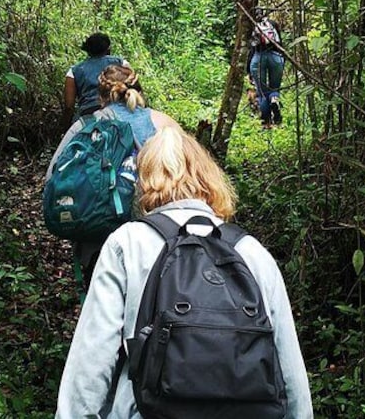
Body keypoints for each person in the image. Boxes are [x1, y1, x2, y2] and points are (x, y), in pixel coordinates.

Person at [56, 127, 313, 418]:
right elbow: (289, 369)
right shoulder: (251, 251)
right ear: (208, 177)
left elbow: (92, 358)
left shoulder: (127, 244)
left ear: (143, 183)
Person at [47, 64, 180, 294]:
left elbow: (52, 178)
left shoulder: (84, 126)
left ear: (101, 97)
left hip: (98, 242)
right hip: (157, 238)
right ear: (140, 91)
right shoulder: (164, 124)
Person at [61, 32, 129, 130]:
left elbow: (69, 106)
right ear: (108, 49)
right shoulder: (121, 63)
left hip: (87, 115)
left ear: (88, 51)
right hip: (118, 110)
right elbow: (133, 89)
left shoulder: (74, 71)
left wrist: (65, 128)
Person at [247, 7, 285, 129]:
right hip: (276, 57)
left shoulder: (252, 26)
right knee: (274, 88)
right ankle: (274, 99)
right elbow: (280, 43)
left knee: (262, 93)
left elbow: (251, 49)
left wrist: (249, 69)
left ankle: (266, 123)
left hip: (259, 58)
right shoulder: (273, 24)